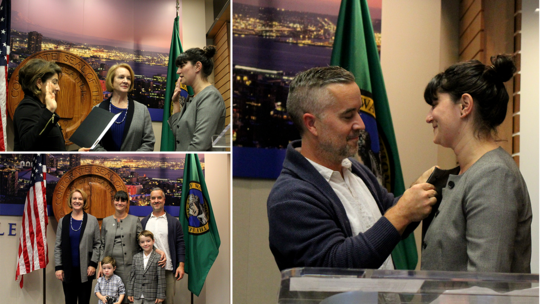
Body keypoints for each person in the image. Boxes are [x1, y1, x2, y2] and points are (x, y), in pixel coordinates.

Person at [267, 66, 437, 271]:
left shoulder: (355, 169)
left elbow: (389, 217)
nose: (361, 124)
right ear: (312, 124)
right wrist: (402, 213)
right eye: (348, 116)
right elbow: (336, 266)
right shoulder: (290, 196)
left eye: (359, 112)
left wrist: (421, 190)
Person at [421, 54, 532, 273]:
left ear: (464, 105)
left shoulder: (494, 176)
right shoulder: (473, 172)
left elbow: (485, 288)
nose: (429, 117)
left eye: (435, 104)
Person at [98, 191, 165, 303]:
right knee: (109, 297)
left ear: (127, 203)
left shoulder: (134, 220)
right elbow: (102, 245)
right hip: (108, 267)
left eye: (123, 200)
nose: (119, 203)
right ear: (113, 201)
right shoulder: (106, 221)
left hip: (129, 267)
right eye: (117, 200)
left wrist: (157, 250)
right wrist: (100, 265)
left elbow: (143, 240)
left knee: (128, 298)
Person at [14, 59, 90, 151]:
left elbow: (49, 147)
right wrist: (49, 111)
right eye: (54, 82)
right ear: (39, 83)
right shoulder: (27, 107)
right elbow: (27, 146)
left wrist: (76, 152)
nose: (58, 88)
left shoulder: (40, 107)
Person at [169, 46, 226, 151]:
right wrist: (176, 103)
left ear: (197, 66)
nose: (178, 71)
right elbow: (179, 134)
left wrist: (184, 163)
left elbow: (200, 145)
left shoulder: (210, 97)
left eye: (182, 66)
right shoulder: (193, 98)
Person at [93, 63, 155, 151]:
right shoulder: (98, 109)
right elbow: (92, 143)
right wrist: (109, 159)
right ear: (112, 81)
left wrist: (130, 159)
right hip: (103, 163)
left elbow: (149, 142)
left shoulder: (142, 110)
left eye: (128, 78)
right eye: (121, 77)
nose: (126, 81)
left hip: (133, 163)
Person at [54, 189, 100, 304]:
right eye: (74, 198)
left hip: (86, 270)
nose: (77, 201)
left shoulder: (92, 220)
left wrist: (93, 264)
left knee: (84, 301)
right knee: (70, 301)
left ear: (84, 202)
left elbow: (97, 244)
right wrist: (58, 267)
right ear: (70, 201)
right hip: (68, 270)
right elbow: (58, 246)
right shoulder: (63, 221)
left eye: (80, 199)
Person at [141, 188, 185, 304]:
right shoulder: (144, 222)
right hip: (148, 271)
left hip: (168, 270)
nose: (156, 200)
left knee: (168, 301)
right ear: (150, 200)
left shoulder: (174, 222)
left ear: (164, 200)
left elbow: (180, 244)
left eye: (159, 198)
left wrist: (181, 265)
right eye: (153, 198)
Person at [127, 231, 166, 304]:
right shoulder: (136, 257)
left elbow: (161, 278)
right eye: (142, 242)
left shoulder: (158, 258)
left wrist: (160, 295)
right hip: (137, 295)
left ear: (153, 241)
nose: (145, 244)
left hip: (152, 296)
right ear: (139, 243)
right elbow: (132, 276)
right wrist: (130, 292)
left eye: (148, 241)